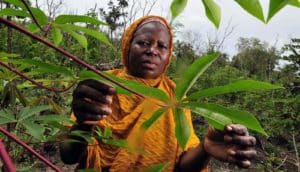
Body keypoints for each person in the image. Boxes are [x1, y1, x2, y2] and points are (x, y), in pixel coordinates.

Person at [60, 15, 257, 172]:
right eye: (144, 43)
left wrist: (205, 148)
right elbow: (68, 156)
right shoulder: (102, 86)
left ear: (168, 55)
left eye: (161, 46)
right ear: (127, 46)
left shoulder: (174, 96)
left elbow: (182, 166)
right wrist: (82, 123)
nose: (152, 51)